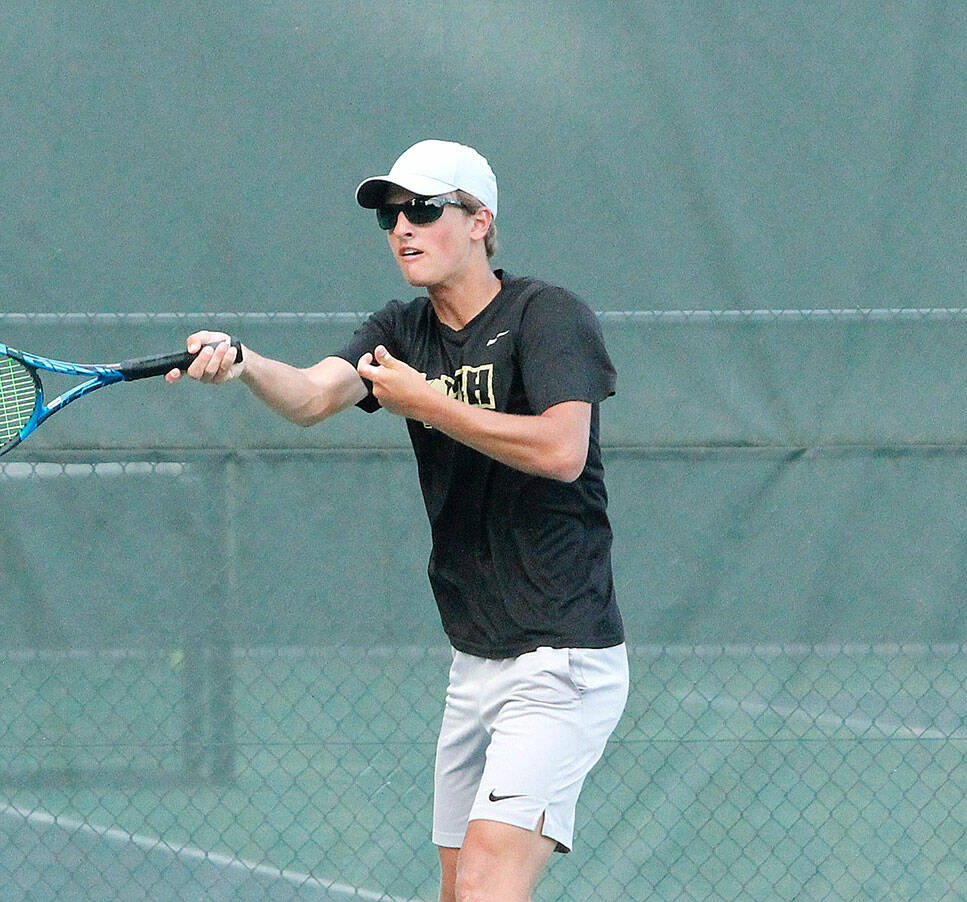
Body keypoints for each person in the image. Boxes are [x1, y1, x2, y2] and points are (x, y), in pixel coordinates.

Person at [166, 140, 628, 902]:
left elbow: (560, 450)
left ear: (479, 221)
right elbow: (313, 396)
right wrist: (244, 362)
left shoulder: (547, 316)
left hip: (562, 658)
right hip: (475, 657)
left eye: (423, 209)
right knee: (457, 891)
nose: (403, 228)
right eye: (390, 215)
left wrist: (430, 404)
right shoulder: (402, 329)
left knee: (486, 885)